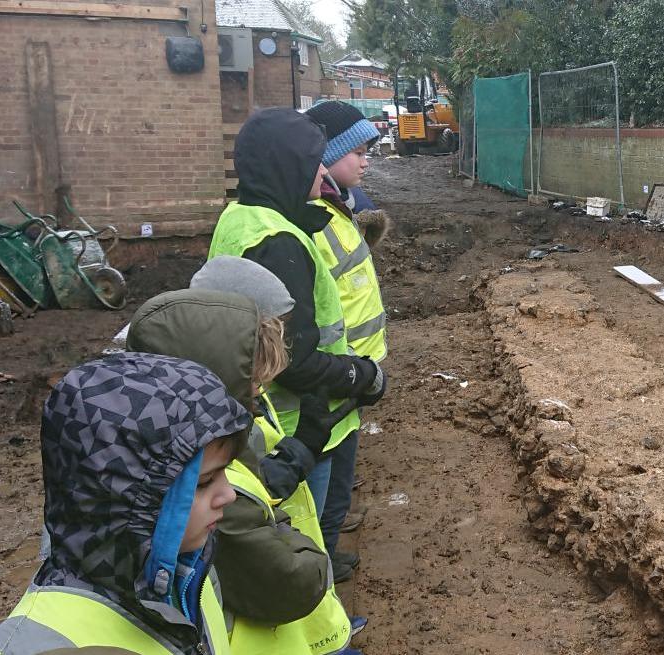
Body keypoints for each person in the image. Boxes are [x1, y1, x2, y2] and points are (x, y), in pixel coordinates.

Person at [127, 262, 359, 653]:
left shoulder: (224, 413)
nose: (261, 388)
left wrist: (296, 454)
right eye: (253, 377)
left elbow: (254, 482)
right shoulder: (193, 462)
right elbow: (282, 575)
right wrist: (303, 546)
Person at [0, 353, 252, 654]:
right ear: (122, 499)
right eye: (203, 482)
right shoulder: (31, 645)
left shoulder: (188, 569)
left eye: (226, 472)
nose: (230, 494)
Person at [208, 108, 386, 528]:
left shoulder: (242, 218)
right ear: (288, 165)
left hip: (276, 413)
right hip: (297, 420)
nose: (321, 169)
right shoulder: (278, 243)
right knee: (308, 525)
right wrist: (362, 376)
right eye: (313, 160)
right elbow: (294, 359)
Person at [302, 100, 390, 581]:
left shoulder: (338, 206)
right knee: (325, 478)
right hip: (336, 371)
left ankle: (328, 550)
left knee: (339, 478)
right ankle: (319, 565)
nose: (366, 159)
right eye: (357, 151)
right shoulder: (313, 216)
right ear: (327, 154)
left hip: (353, 370)